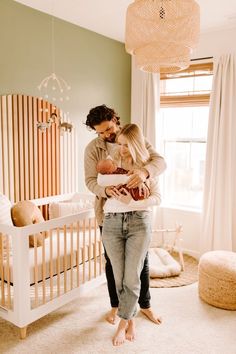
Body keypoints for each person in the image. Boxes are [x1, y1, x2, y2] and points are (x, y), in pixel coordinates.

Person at [84, 104, 166, 325]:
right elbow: (90, 181)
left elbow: (159, 162)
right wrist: (106, 190)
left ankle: (145, 305)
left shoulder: (132, 138)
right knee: (112, 263)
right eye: (100, 132)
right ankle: (115, 306)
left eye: (109, 129)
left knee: (141, 262)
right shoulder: (94, 148)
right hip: (109, 214)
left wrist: (143, 171)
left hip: (137, 214)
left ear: (115, 120)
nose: (106, 135)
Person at [101, 123, 161, 345]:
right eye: (119, 144)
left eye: (126, 145)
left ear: (136, 144)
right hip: (112, 224)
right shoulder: (112, 163)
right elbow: (99, 182)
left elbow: (158, 198)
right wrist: (114, 186)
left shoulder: (148, 167)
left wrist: (137, 198)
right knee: (118, 276)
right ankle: (131, 319)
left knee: (132, 276)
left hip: (139, 222)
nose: (121, 149)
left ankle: (123, 322)